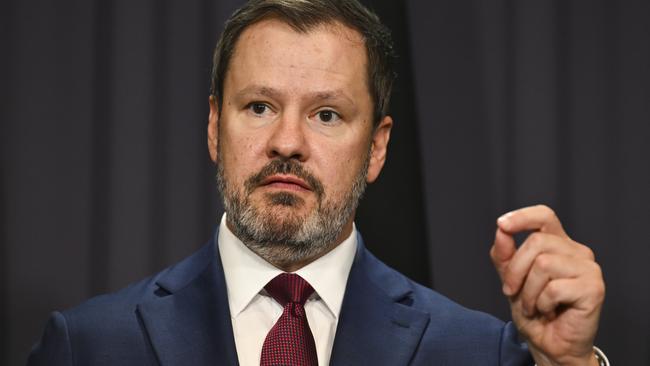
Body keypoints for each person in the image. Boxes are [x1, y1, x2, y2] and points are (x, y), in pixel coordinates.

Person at [28, 0, 607, 365]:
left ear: (376, 148)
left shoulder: (480, 353)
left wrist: (570, 365)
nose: (286, 141)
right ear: (213, 127)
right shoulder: (89, 346)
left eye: (326, 114)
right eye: (258, 106)